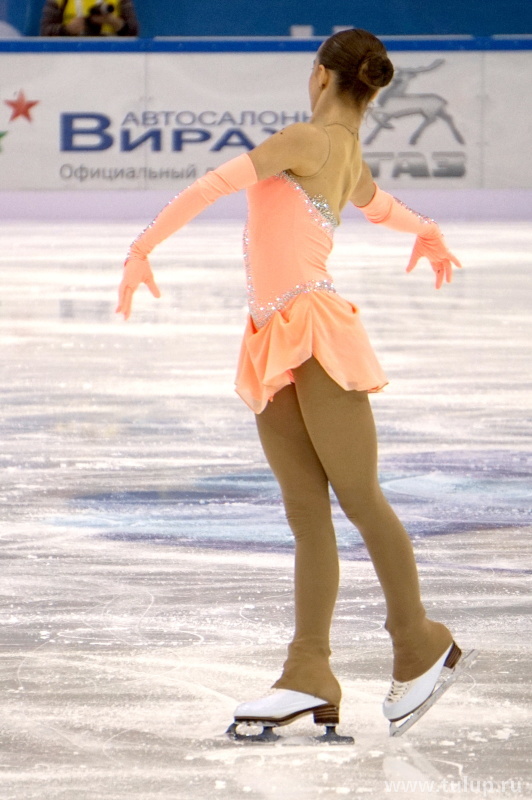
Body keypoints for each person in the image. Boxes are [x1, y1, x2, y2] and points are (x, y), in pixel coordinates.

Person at [117, 29, 468, 740]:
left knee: (359, 497)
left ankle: (418, 638)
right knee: (307, 511)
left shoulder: (306, 140)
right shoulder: (348, 154)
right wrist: (427, 230)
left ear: (321, 76)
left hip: (311, 328)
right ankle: (309, 668)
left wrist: (141, 248)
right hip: (272, 333)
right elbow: (381, 207)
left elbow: (213, 185)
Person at [40, 0, 138, 37]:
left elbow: (135, 31)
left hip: (111, 54)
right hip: (70, 55)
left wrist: (115, 22)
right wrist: (66, 30)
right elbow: (45, 31)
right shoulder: (57, 1)